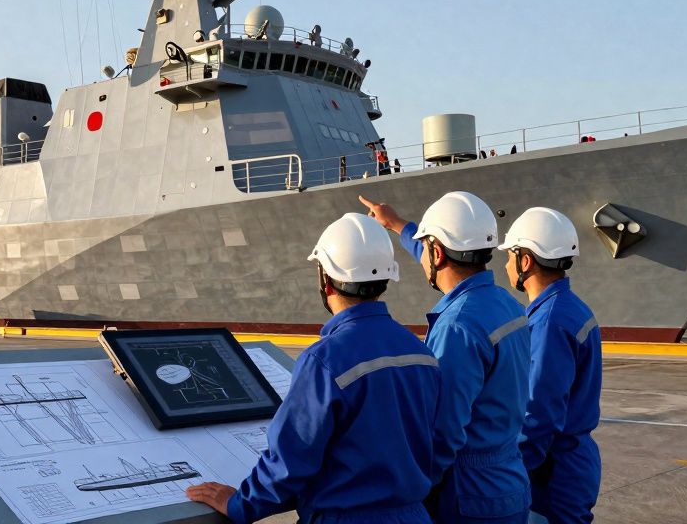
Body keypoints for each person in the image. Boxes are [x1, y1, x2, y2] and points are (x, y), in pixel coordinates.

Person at [186, 213, 441, 523]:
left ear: (326, 280)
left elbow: (291, 458)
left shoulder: (324, 360)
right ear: (385, 279)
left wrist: (242, 504)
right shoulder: (421, 352)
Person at [360, 192, 531, 524]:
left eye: (426, 247)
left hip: (470, 498)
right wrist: (396, 224)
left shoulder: (456, 326)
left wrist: (410, 491)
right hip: (509, 482)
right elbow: (437, 255)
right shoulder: (507, 305)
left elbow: (444, 432)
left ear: (437, 253)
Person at [499, 208, 602, 524]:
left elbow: (539, 414)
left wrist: (509, 475)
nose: (505, 264)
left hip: (552, 478)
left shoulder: (548, 322)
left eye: (510, 255)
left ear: (525, 261)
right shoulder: (572, 308)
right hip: (573, 463)